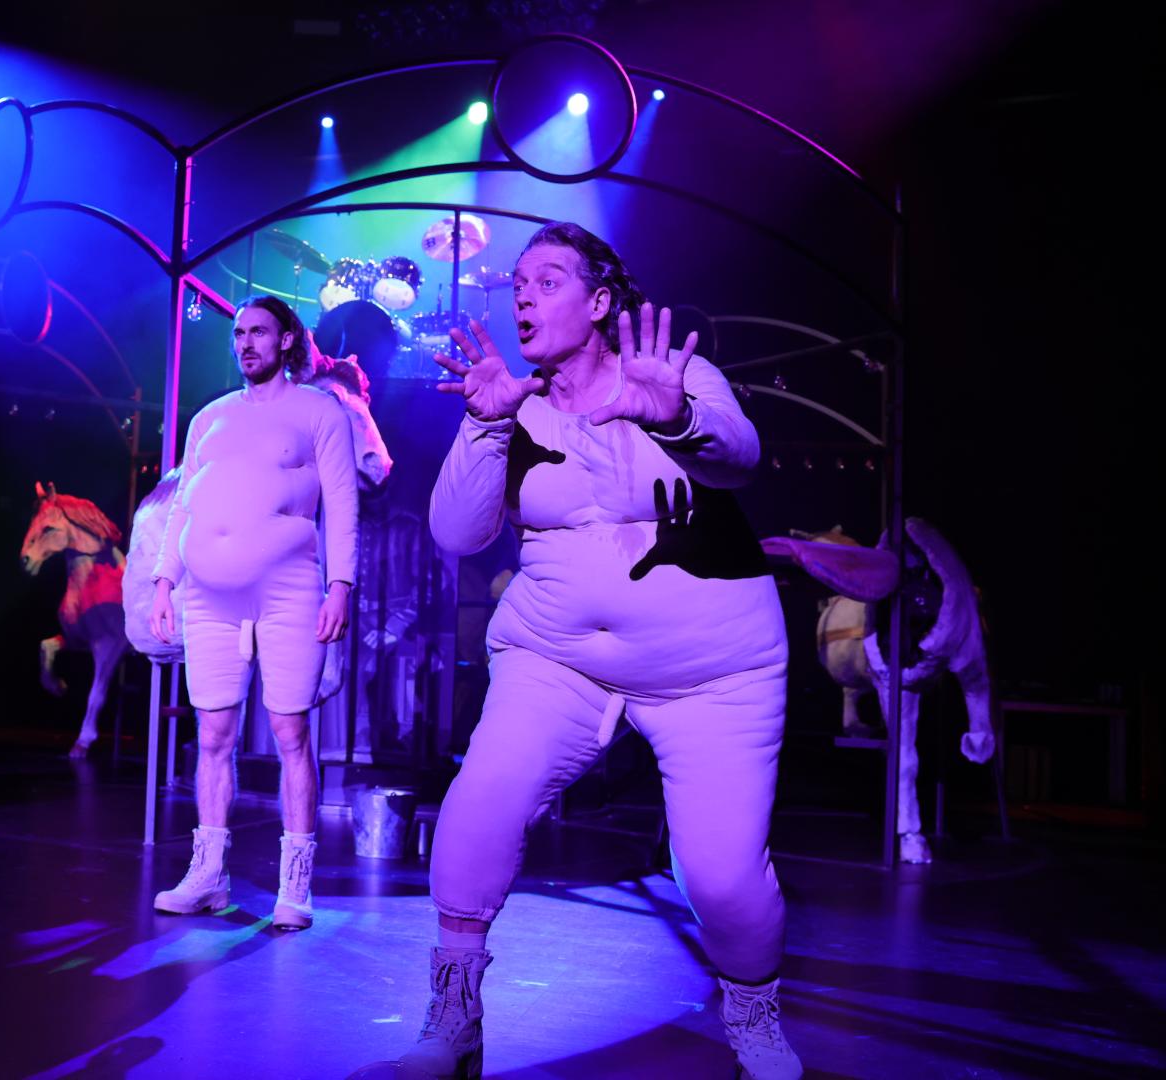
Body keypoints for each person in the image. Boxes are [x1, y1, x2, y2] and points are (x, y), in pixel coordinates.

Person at [399, 222, 800, 1078]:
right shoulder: (515, 403)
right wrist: (484, 425)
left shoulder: (670, 372)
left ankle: (755, 1015)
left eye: (548, 281)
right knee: (477, 810)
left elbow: (740, 458)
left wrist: (675, 417)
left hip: (711, 673)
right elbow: (457, 535)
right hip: (557, 662)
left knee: (722, 879)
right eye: (518, 284)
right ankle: (454, 1013)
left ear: (600, 301)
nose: (524, 296)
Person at [148, 295, 359, 931]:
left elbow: (342, 502)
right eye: (238, 333)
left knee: (290, 733)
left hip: (289, 589)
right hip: (208, 595)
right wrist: (163, 580)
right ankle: (209, 875)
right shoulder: (209, 417)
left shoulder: (319, 410)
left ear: (286, 340)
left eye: (258, 332)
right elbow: (181, 503)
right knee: (213, 733)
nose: (245, 343)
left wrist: (341, 584)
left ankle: (296, 883)